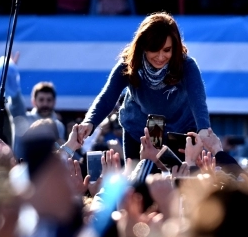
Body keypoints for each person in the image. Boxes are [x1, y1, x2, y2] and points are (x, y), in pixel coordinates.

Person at [77, 12, 211, 161]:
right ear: (143, 46)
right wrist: (89, 122)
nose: (161, 57)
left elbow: (198, 100)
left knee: (180, 180)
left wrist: (203, 129)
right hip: (140, 129)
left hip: (180, 128)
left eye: (167, 50)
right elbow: (108, 97)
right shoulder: (129, 64)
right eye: (154, 49)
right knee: (139, 180)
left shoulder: (186, 65)